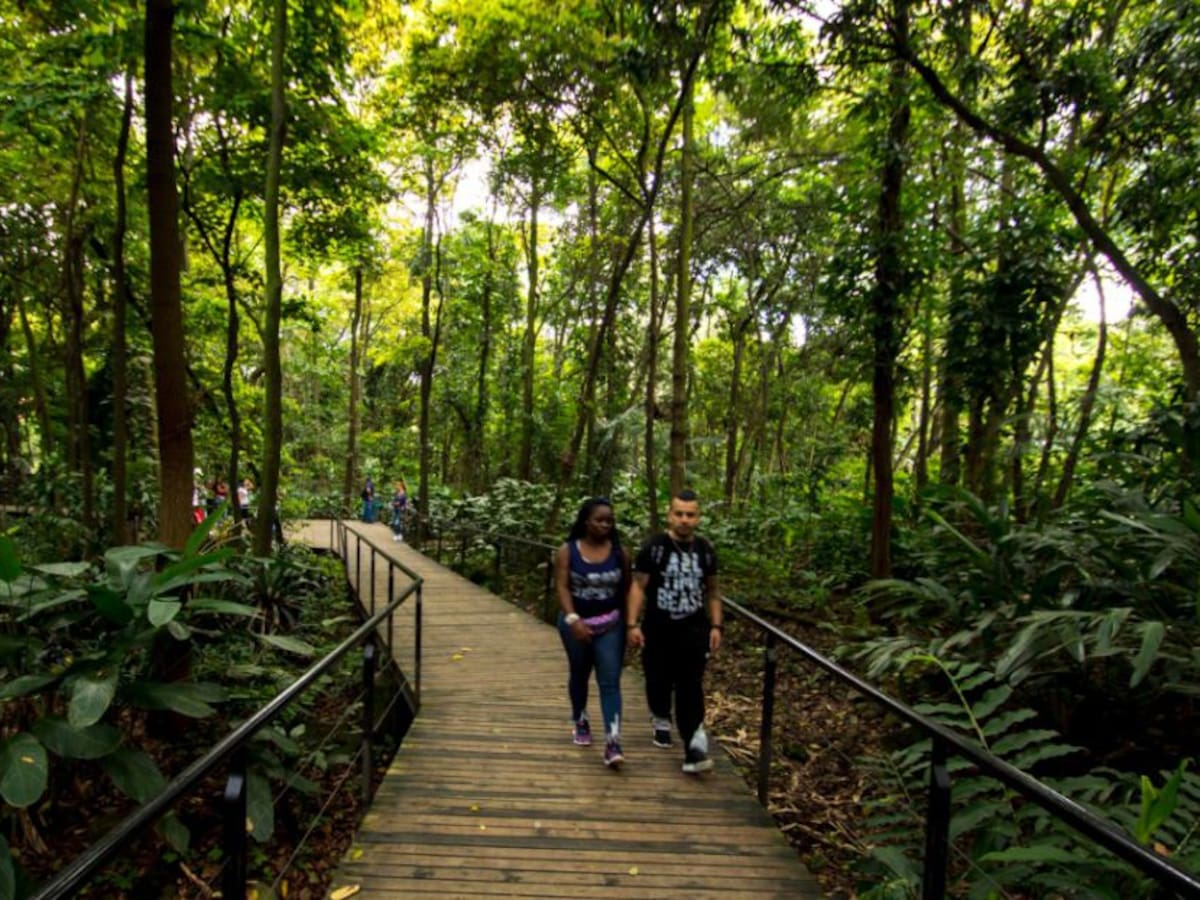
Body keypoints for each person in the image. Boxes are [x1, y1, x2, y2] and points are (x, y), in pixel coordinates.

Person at [626, 489, 722, 774]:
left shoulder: (705, 550)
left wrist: (716, 625)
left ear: (697, 517)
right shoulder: (654, 547)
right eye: (679, 514)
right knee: (657, 678)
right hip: (658, 628)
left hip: (693, 629)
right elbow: (638, 586)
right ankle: (660, 718)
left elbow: (714, 591)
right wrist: (632, 624)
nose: (684, 520)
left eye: (690, 514)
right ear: (670, 515)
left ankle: (694, 743)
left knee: (690, 684)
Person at [555, 497, 631, 768]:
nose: (605, 525)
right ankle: (580, 718)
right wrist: (573, 618)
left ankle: (613, 741)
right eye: (599, 520)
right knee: (579, 672)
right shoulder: (568, 551)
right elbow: (562, 586)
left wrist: (630, 625)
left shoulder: (620, 553)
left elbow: (627, 589)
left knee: (610, 681)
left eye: (609, 521)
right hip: (575, 623)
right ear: (586, 521)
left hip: (610, 624)